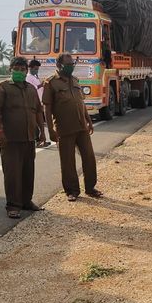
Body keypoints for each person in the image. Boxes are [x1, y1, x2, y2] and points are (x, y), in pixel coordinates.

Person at [42, 53, 102, 202]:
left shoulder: (75, 80)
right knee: (68, 161)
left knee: (89, 157)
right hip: (64, 128)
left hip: (81, 126)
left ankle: (90, 187)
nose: (70, 67)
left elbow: (80, 102)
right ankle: (72, 190)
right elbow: (47, 109)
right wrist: (50, 130)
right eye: (67, 64)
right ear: (59, 65)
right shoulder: (51, 83)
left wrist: (88, 120)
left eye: (72, 64)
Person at [0, 57, 46, 218]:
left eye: (23, 69)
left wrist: (42, 131)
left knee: (28, 171)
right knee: (12, 173)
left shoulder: (30, 88)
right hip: (10, 138)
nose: (20, 72)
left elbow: (37, 111)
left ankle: (26, 201)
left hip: (29, 137)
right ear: (10, 69)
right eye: (17, 69)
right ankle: (13, 205)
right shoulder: (2, 88)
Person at [26, 59, 50, 148]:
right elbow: (32, 88)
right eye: (35, 68)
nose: (36, 70)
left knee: (40, 123)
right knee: (35, 123)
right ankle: (37, 141)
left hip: (38, 102)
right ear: (30, 68)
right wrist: (41, 85)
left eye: (37, 69)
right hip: (32, 102)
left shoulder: (35, 77)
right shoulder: (28, 77)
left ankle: (41, 140)